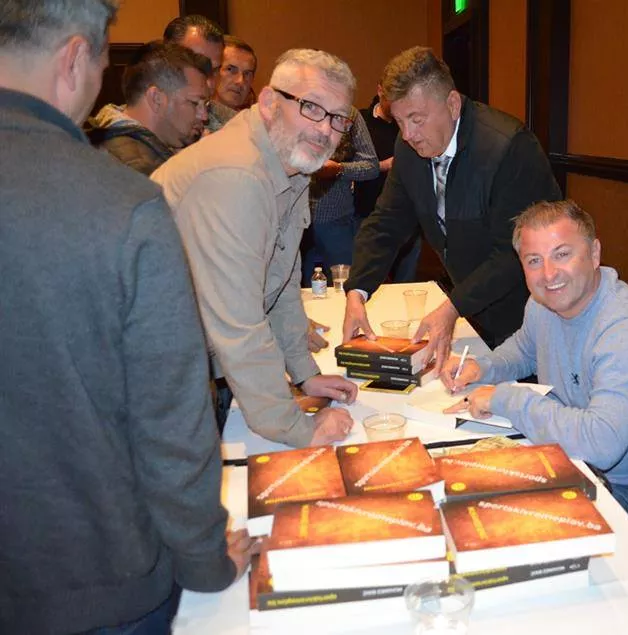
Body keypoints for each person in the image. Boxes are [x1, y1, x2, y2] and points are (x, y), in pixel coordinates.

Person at [0, 2, 253, 633]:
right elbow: (171, 419)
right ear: (75, 58)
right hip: (100, 581)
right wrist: (206, 561)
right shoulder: (124, 204)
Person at [441, 200, 628, 542]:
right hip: (578, 461)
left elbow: (601, 444)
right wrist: (481, 367)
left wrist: (505, 399)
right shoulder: (544, 303)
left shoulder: (627, 329)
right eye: (534, 260)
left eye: (562, 254)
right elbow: (525, 349)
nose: (549, 274)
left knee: (512, 534)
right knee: (465, 495)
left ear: (594, 254)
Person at [152, 49, 359, 447]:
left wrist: (303, 372)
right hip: (149, 371)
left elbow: (280, 280)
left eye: (338, 118)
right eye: (311, 107)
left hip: (188, 360)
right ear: (268, 102)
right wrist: (298, 429)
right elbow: (240, 322)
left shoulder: (288, 165)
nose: (324, 130)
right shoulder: (238, 176)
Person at [343, 46, 561, 368]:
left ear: (453, 104)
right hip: (474, 312)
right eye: (400, 121)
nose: (408, 135)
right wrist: (357, 290)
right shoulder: (408, 150)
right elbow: (386, 222)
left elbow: (514, 252)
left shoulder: (508, 148)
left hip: (531, 316)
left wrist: (453, 306)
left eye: (416, 119)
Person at [87, 41, 212, 174]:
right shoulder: (139, 169)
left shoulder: (122, 148)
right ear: (156, 99)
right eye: (195, 103)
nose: (204, 116)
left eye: (205, 105)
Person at [301, 105, 378, 285]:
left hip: (336, 223)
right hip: (293, 221)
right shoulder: (294, 107)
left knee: (344, 289)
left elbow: (371, 166)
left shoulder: (350, 114)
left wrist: (339, 169)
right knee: (296, 295)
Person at [355, 84, 421, 282]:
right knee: (371, 276)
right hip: (367, 211)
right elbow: (348, 166)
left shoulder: (408, 124)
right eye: (392, 97)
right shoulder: (361, 121)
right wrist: (384, 165)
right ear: (380, 90)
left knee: (406, 280)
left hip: (408, 213)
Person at [162, 14, 225, 135]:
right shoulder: (133, 132)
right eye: (200, 69)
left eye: (215, 71)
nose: (210, 84)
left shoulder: (232, 127)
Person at [214, 34, 257, 113]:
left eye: (247, 74)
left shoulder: (254, 119)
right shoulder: (193, 117)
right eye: (230, 69)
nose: (240, 81)